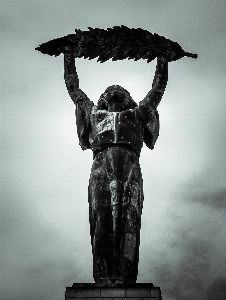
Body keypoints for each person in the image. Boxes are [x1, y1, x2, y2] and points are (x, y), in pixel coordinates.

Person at [64, 50, 168, 283]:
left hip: (129, 166)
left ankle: (124, 273)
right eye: (109, 92)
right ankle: (104, 274)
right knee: (101, 218)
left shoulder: (138, 114)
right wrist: (68, 55)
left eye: (120, 91)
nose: (114, 91)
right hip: (101, 166)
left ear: (127, 99)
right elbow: (74, 91)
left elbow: (157, 90)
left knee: (127, 219)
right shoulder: (93, 114)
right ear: (103, 99)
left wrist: (163, 57)